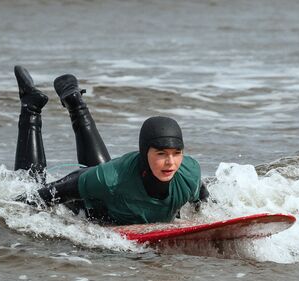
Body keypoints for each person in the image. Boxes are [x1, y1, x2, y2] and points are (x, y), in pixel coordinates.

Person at [13, 65, 209, 224]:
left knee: (105, 175)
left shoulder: (189, 173)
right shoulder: (111, 178)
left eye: (177, 153)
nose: (171, 162)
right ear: (143, 152)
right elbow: (62, 189)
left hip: (113, 190)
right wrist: (14, 208)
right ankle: (31, 107)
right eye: (161, 153)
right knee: (31, 185)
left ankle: (75, 103)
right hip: (88, 209)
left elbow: (202, 200)